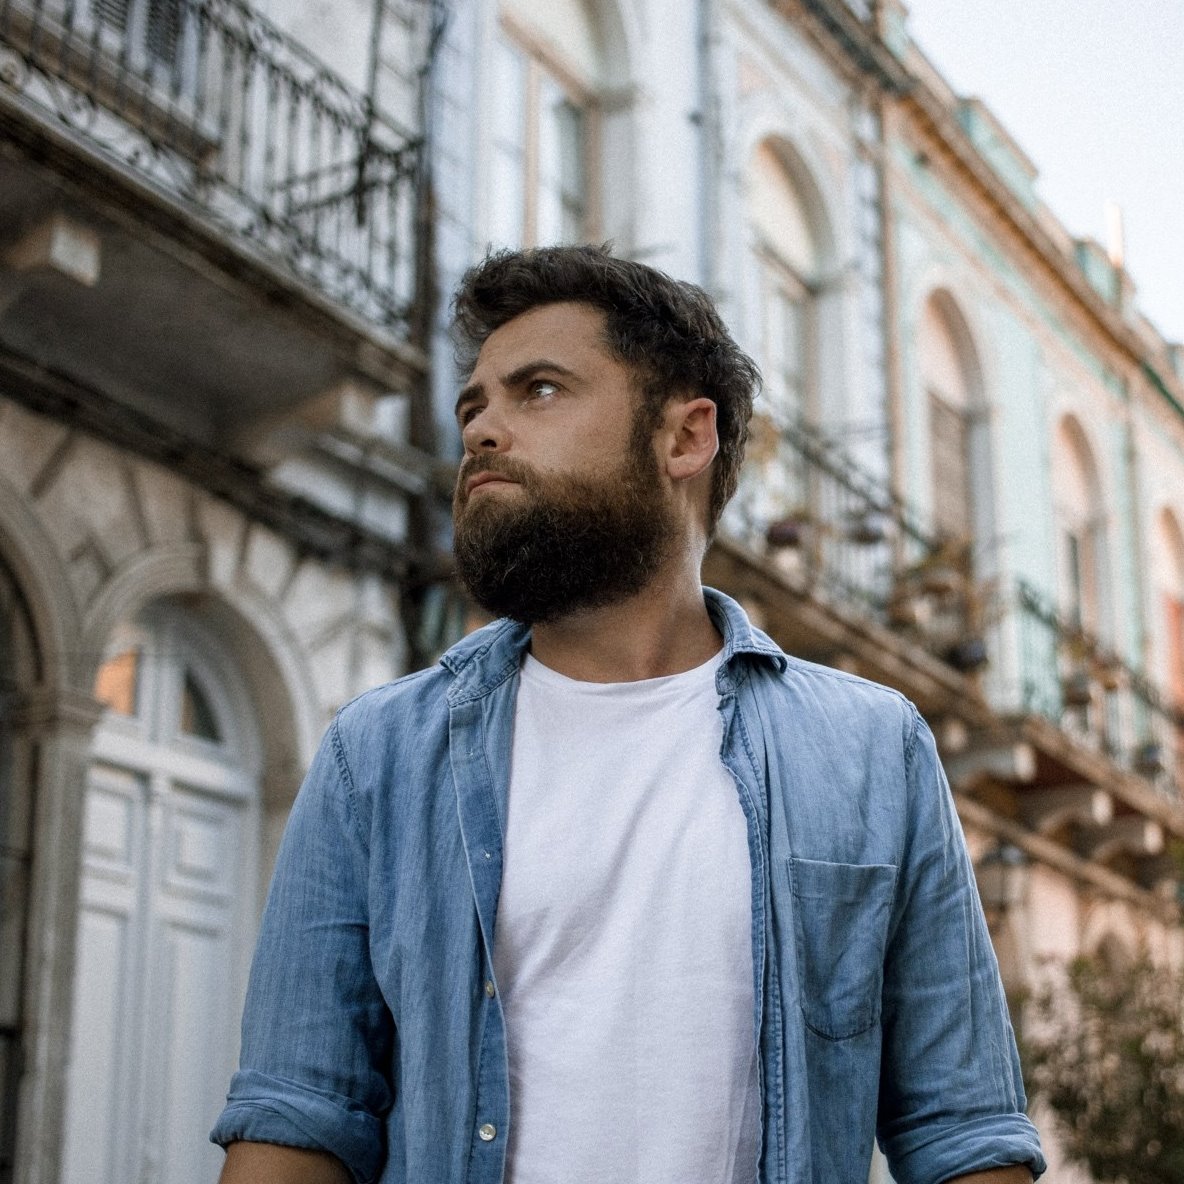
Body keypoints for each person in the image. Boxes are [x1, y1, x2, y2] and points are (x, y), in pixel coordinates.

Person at [211, 245, 1046, 1184]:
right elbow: (297, 1118)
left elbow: (964, 1130)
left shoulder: (870, 748)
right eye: (472, 405)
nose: (482, 430)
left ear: (687, 438)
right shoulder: (380, 755)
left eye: (539, 390)